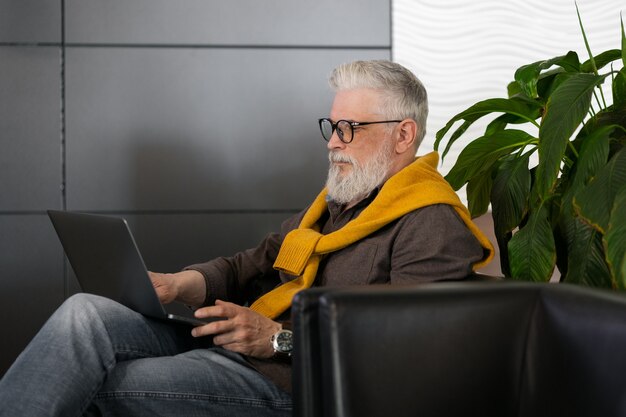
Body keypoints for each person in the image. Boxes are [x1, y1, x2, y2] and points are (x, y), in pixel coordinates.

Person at [0, 60, 493, 416]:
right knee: (85, 313)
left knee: (114, 385)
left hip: (291, 380)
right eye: (332, 125)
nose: (332, 140)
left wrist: (277, 340)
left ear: (404, 135)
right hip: (239, 344)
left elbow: (410, 344)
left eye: (349, 128)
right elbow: (254, 263)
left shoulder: (430, 222)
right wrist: (181, 285)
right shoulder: (339, 202)